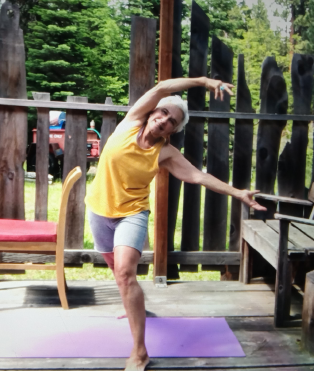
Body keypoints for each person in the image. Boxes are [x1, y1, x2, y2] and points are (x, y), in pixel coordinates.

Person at [85, 77, 266, 371]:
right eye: (163, 113)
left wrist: (238, 192)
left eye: (172, 122)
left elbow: (198, 176)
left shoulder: (165, 153)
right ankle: (134, 307)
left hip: (132, 213)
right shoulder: (131, 121)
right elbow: (161, 88)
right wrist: (203, 81)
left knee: (125, 271)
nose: (164, 121)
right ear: (153, 112)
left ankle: (140, 352)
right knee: (118, 273)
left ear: (172, 131)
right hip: (98, 209)